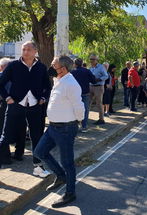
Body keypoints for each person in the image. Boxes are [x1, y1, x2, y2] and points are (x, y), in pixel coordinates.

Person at [34, 55, 84, 208]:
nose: (51, 67)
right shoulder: (58, 80)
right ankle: (61, 176)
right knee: (39, 152)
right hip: (53, 127)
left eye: (53, 64)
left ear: (62, 69)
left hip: (65, 129)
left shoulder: (71, 84)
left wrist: (75, 122)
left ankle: (70, 193)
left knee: (67, 162)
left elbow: (80, 107)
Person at [0, 41, 51, 177]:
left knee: (37, 138)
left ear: (35, 51)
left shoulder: (41, 67)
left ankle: (38, 167)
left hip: (35, 107)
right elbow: (1, 84)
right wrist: (7, 98)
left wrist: (43, 98)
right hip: (15, 105)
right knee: (5, 137)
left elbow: (48, 86)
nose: (25, 52)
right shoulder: (13, 66)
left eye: (28, 49)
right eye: (23, 49)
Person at [71, 58, 96, 132]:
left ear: (75, 64)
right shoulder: (87, 71)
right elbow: (93, 81)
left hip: (75, 93)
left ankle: (75, 126)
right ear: (82, 64)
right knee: (85, 110)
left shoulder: (72, 72)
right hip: (85, 92)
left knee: (74, 109)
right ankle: (84, 126)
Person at [89, 54, 108, 125]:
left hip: (99, 86)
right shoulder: (90, 68)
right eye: (90, 59)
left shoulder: (101, 67)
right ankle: (85, 118)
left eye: (93, 59)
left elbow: (106, 76)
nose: (91, 61)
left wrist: (99, 79)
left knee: (99, 103)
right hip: (91, 86)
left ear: (97, 60)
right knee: (88, 102)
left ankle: (101, 119)